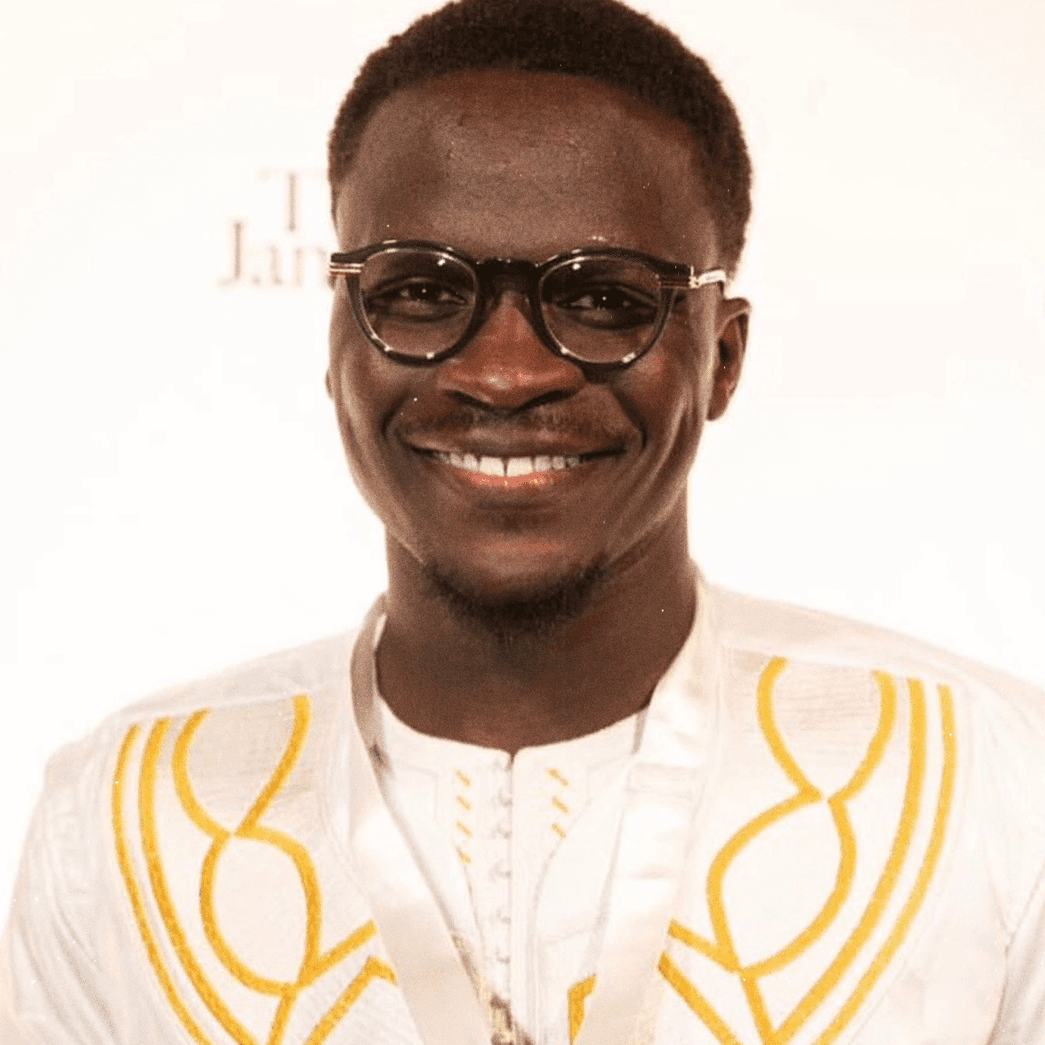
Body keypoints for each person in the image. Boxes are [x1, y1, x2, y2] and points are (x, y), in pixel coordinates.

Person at [3, 0, 1044, 1042]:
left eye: (604, 300)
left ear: (722, 358)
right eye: (420, 290)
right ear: (336, 342)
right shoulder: (117, 822)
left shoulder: (993, 790)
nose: (505, 373)